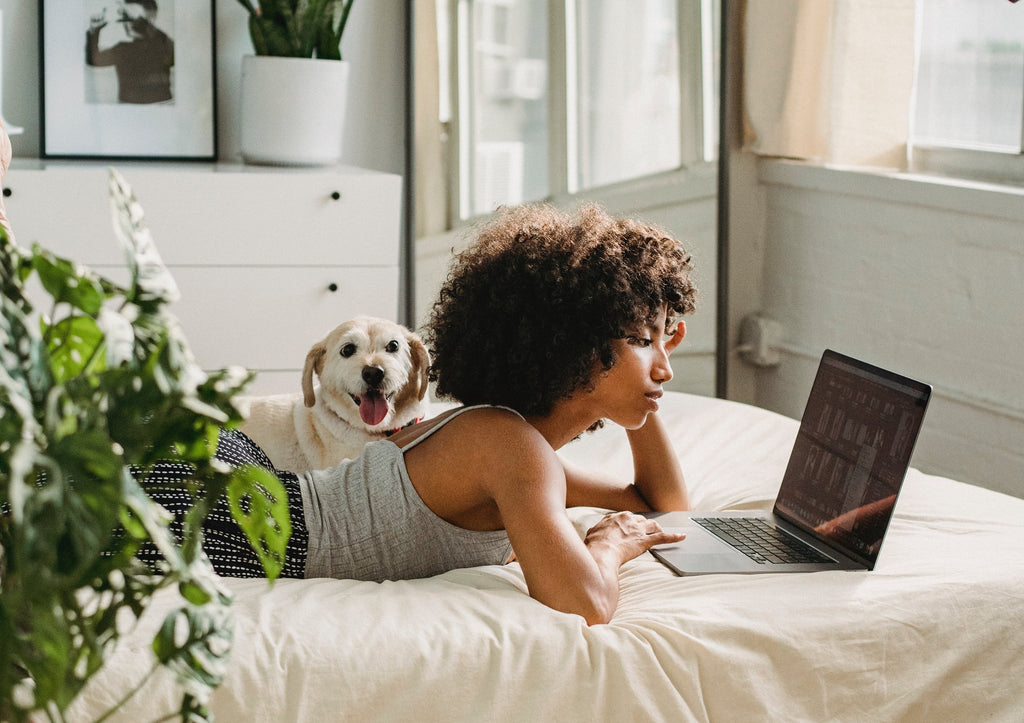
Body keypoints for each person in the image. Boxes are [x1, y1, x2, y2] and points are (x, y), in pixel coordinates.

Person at [139, 202, 698, 625]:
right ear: (574, 345)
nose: (664, 366)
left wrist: (646, 385)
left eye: (662, 343)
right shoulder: (509, 448)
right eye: (643, 340)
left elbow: (663, 507)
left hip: (248, 490)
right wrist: (609, 543)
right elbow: (588, 604)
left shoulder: (512, 446)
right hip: (236, 515)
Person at [85, 0, 174, 104]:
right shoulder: (122, 49)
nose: (127, 25)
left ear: (151, 19)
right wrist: (94, 30)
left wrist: (140, 22)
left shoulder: (162, 45)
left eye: (131, 19)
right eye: (125, 19)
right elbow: (93, 60)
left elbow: (171, 55)